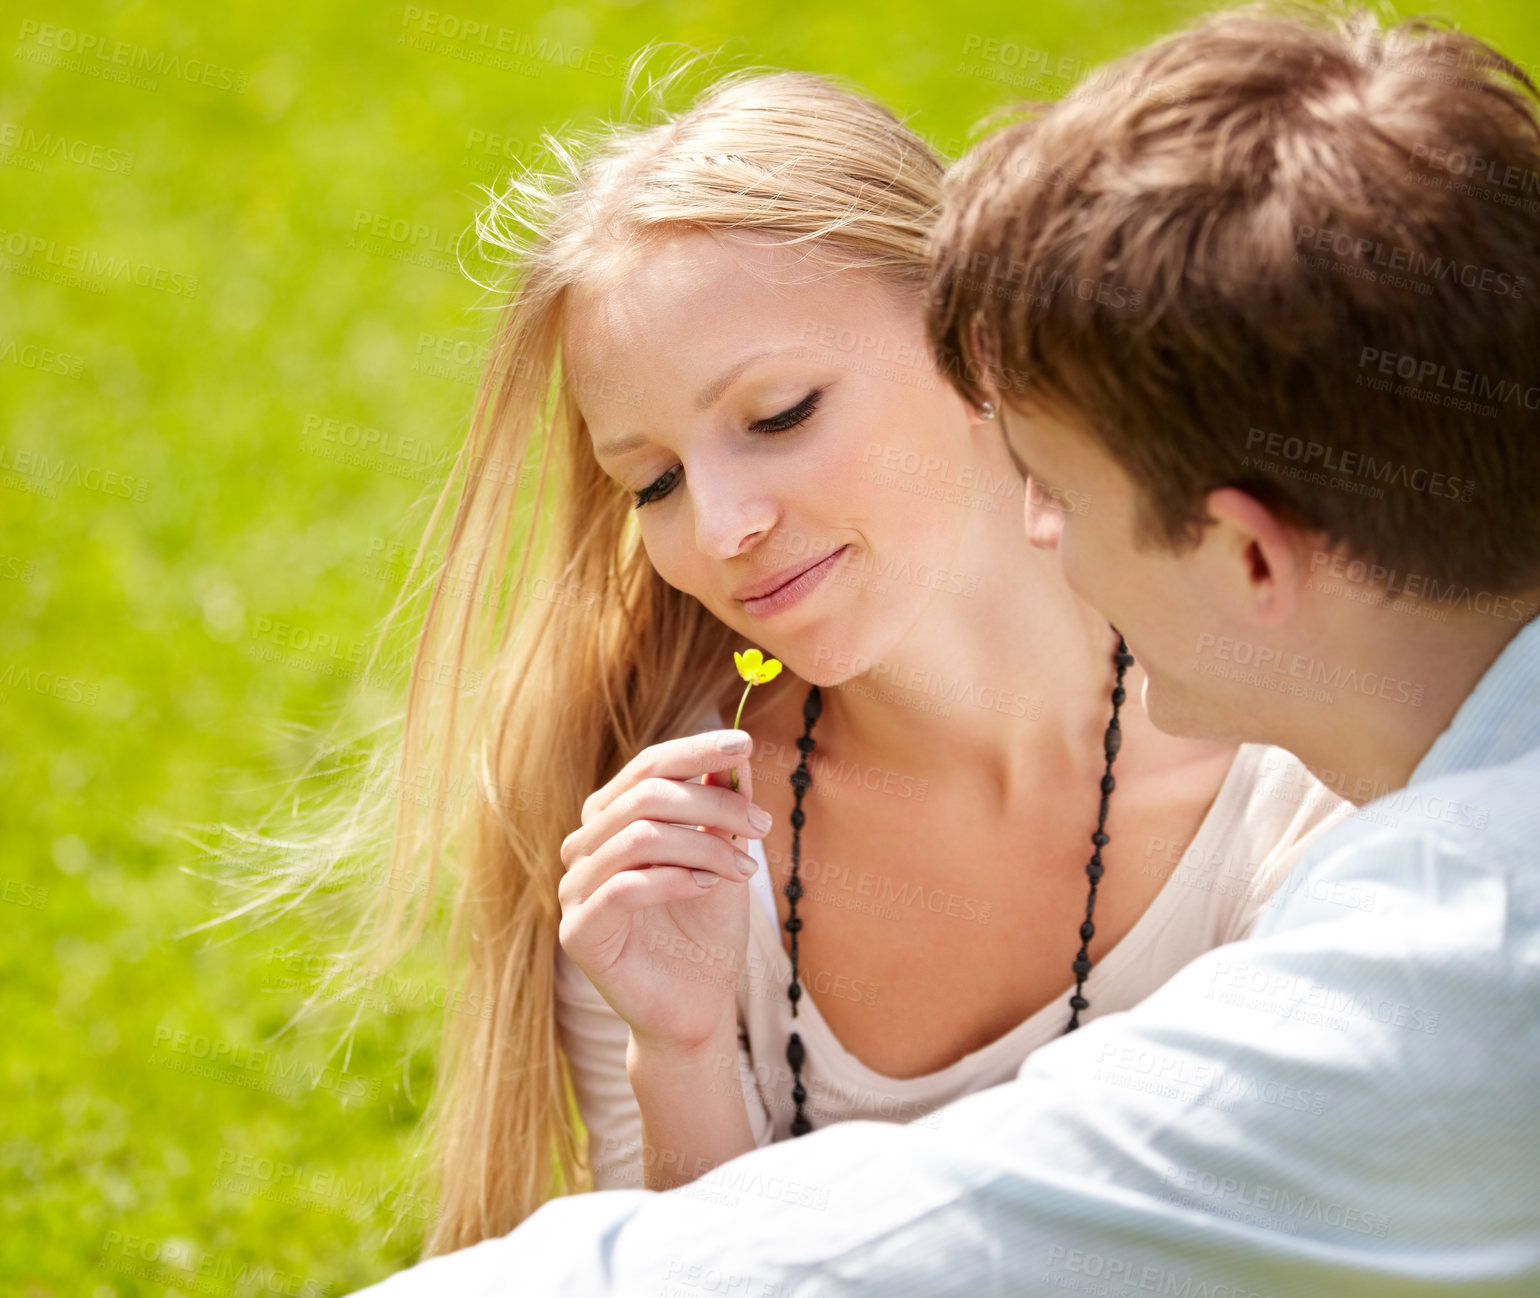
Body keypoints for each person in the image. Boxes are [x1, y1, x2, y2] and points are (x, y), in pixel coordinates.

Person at [352, 6, 1540, 1295]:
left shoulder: (1325, 765)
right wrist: (678, 1050)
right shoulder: (670, 820)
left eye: (781, 412)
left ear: (983, 351)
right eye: (649, 484)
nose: (724, 525)